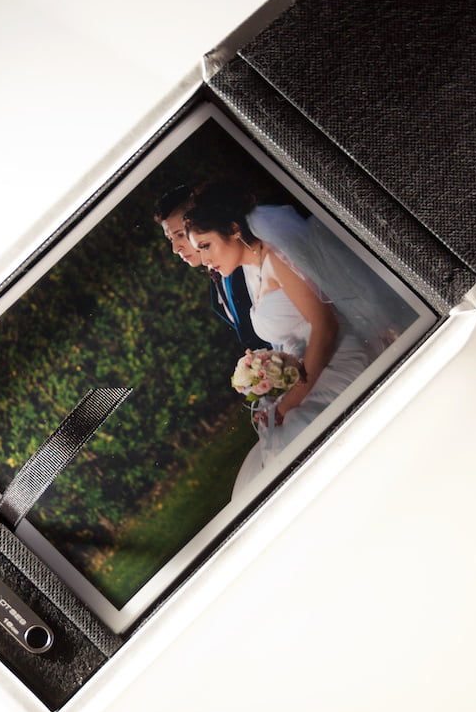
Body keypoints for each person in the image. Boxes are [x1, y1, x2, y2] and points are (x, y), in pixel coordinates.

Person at [183, 181, 417, 489]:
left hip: (337, 355)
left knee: (295, 435)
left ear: (234, 229)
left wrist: (293, 398)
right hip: (312, 364)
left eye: (206, 246)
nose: (204, 260)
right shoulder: (253, 270)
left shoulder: (276, 258)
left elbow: (325, 326)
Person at [154, 186, 267, 350]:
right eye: (170, 239)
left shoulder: (242, 260)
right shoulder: (217, 272)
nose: (175, 249)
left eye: (180, 234)